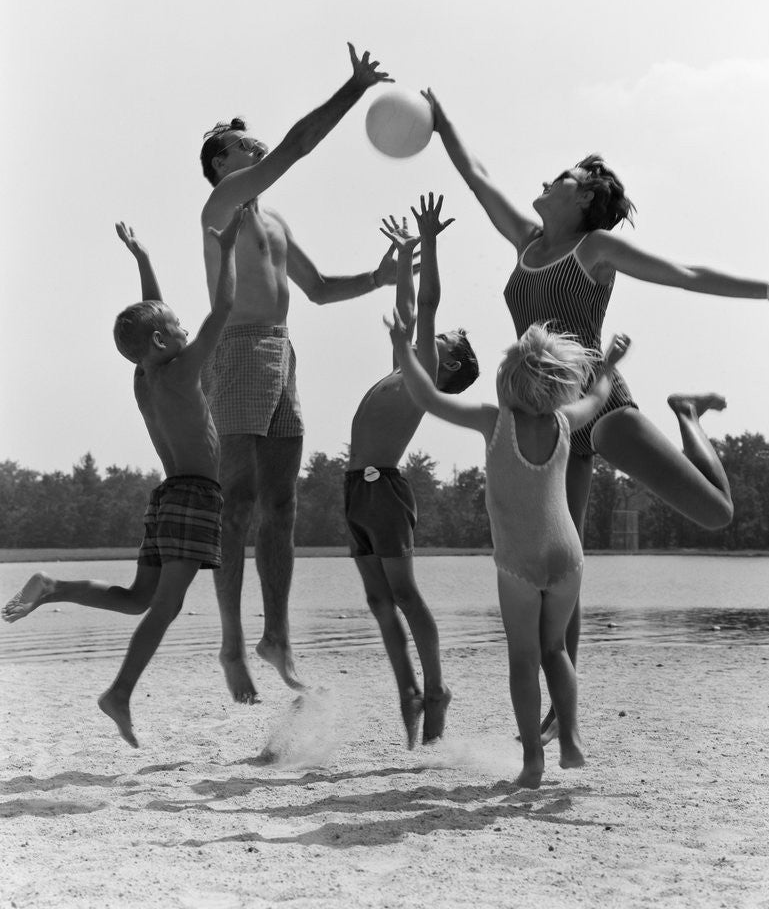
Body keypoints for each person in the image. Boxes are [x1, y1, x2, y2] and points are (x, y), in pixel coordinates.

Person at [420, 87, 769, 740]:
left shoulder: (594, 250)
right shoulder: (523, 241)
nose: (548, 179)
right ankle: (557, 712)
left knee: (716, 514)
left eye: (564, 177)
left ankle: (685, 412)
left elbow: (684, 273)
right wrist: (443, 121)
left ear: (582, 201)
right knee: (558, 562)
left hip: (601, 407)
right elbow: (476, 175)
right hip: (547, 419)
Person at [199, 43, 399, 705]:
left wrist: (382, 276)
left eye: (255, 145)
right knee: (236, 503)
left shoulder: (276, 221)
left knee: (279, 506)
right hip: (238, 349)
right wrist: (353, 88)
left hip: (283, 353)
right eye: (243, 147)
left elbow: (316, 289)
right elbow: (296, 146)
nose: (256, 151)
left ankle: (276, 637)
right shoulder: (224, 204)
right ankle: (231, 641)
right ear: (220, 165)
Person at [2, 213, 244, 747]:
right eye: (178, 326)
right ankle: (120, 693)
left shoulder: (145, 373)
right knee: (167, 605)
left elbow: (150, 322)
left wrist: (144, 261)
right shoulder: (180, 370)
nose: (186, 328)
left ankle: (55, 586)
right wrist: (227, 249)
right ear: (164, 340)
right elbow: (223, 309)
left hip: (167, 498)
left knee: (139, 597)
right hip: (195, 499)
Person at [388, 308, 630, 786]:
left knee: (524, 658)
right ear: (559, 384)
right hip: (568, 556)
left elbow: (427, 396)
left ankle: (533, 762)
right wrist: (610, 364)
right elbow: (599, 395)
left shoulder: (493, 421)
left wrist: (401, 346)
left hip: (519, 561)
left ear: (509, 379)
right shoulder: (565, 420)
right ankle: (573, 738)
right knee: (555, 649)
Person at [345, 193, 479, 747]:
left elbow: (425, 305)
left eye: (441, 339)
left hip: (384, 492)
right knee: (379, 600)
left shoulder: (422, 375)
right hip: (356, 490)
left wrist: (428, 243)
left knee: (405, 596)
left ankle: (437, 688)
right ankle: (409, 692)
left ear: (444, 362)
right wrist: (402, 255)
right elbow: (407, 309)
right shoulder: (407, 368)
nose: (433, 333)